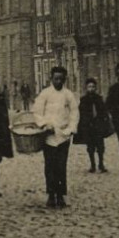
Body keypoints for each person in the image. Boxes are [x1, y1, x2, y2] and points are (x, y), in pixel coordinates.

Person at [32, 65, 79, 208]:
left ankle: (60, 195)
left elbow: (74, 113)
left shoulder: (68, 95)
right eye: (56, 78)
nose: (58, 81)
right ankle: (51, 195)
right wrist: (45, 124)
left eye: (61, 79)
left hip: (63, 136)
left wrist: (71, 128)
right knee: (50, 166)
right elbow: (37, 112)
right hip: (49, 136)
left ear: (64, 79)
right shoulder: (45, 94)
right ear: (51, 79)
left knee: (61, 166)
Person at [75, 77, 111, 173]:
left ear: (96, 88)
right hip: (88, 127)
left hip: (98, 126)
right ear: (86, 88)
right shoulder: (83, 100)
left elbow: (104, 112)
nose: (91, 89)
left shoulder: (99, 99)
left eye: (93, 87)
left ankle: (101, 164)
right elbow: (81, 114)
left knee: (100, 146)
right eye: (89, 87)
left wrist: (105, 123)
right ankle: (93, 165)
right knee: (90, 146)